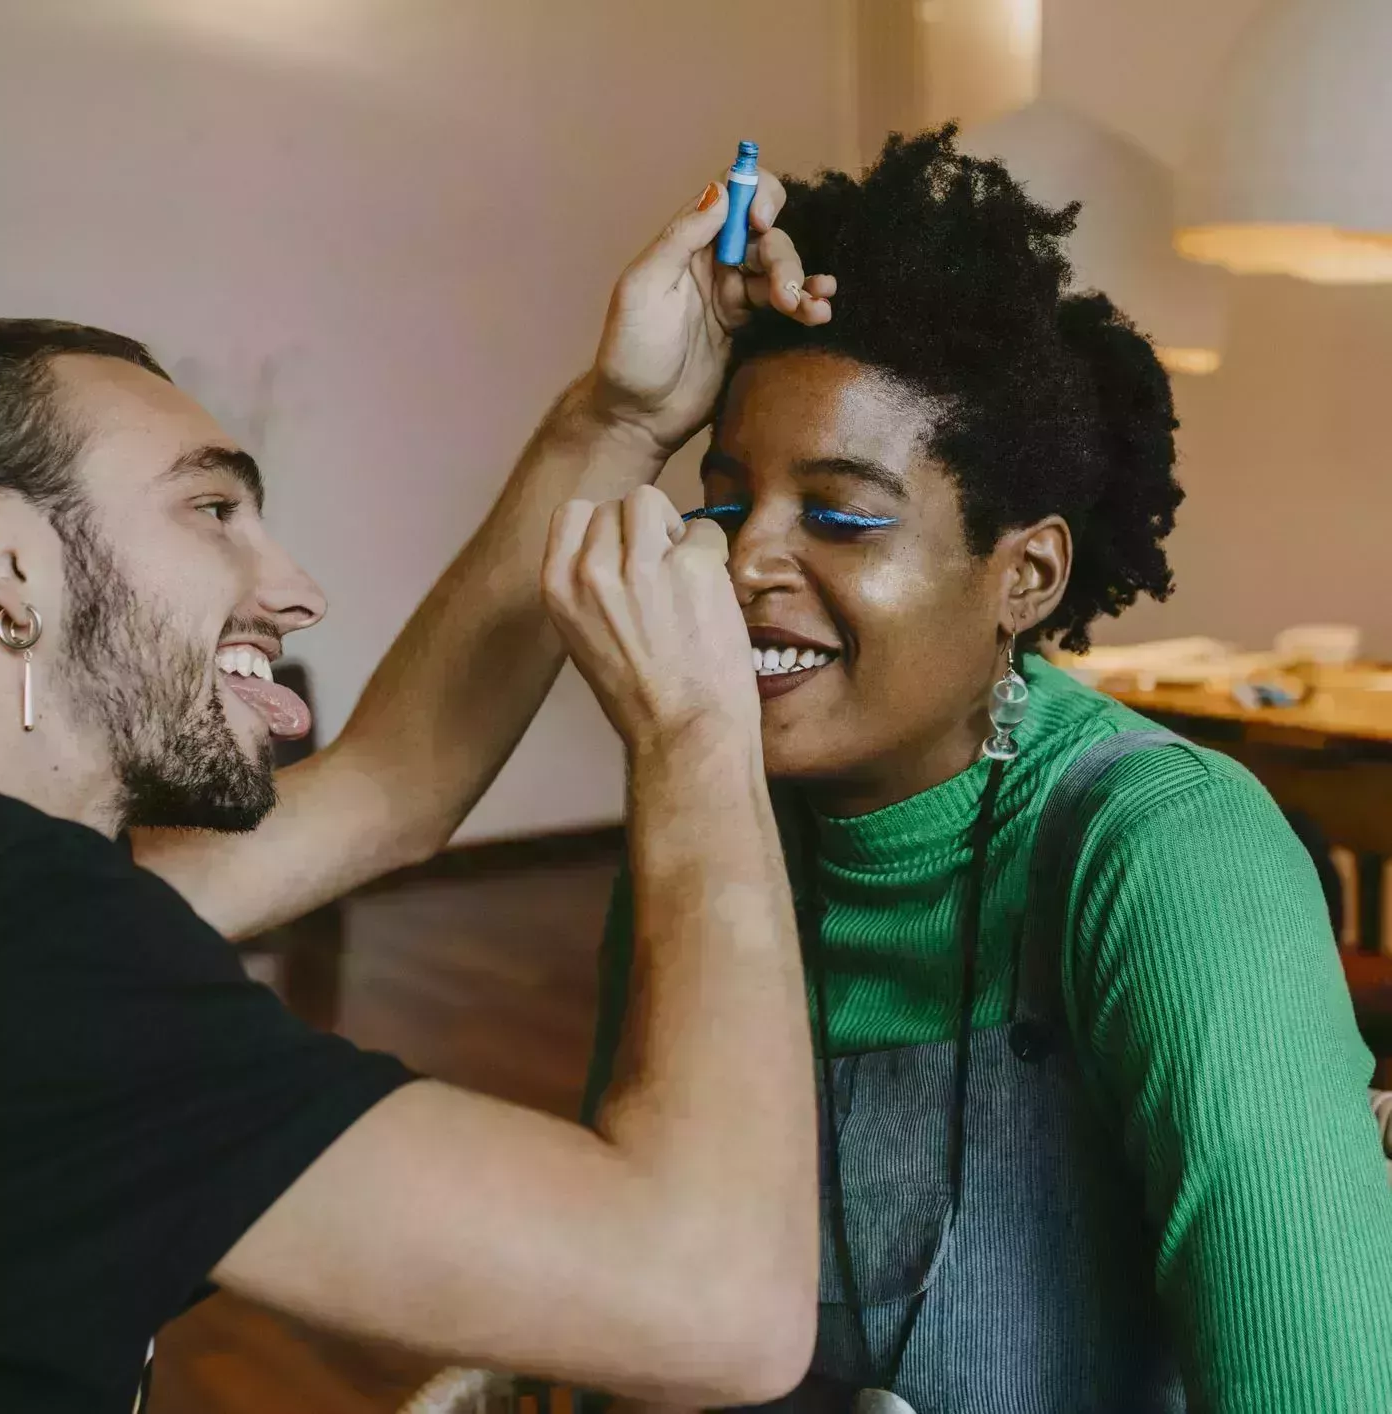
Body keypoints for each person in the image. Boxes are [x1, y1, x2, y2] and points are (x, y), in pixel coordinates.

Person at [0, 167, 838, 1411]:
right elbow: (714, 1304)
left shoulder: (28, 899)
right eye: (213, 507)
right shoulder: (21, 948)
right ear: (1, 553)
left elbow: (393, 784)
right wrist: (698, 731)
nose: (296, 591)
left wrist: (620, 418)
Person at [585, 128, 1392, 1413]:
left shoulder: (1164, 854)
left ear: (1025, 576)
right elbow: (625, 1306)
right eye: (728, 499)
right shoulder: (702, 811)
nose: (742, 565)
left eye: (843, 513)